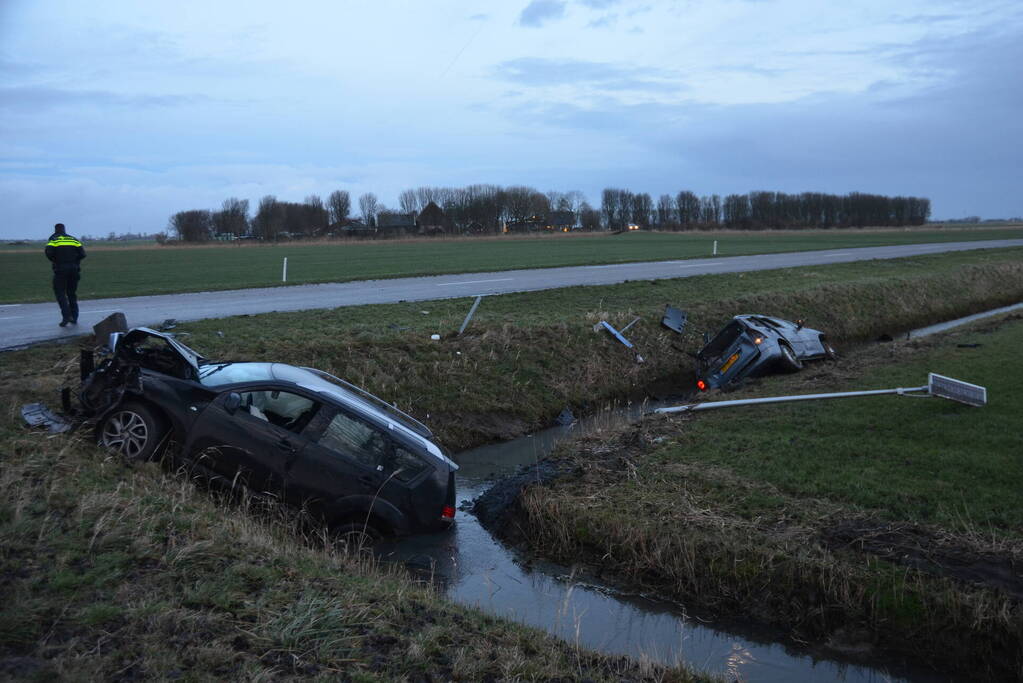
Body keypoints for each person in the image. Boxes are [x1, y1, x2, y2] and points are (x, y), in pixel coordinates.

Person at [45, 223, 86, 327]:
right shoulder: (73, 239)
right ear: (64, 229)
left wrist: (56, 260)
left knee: (60, 293)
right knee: (71, 293)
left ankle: (66, 316)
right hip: (74, 269)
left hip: (61, 269)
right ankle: (74, 317)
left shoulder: (54, 239)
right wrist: (75, 261)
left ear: (55, 229)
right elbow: (83, 254)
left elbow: (48, 253)